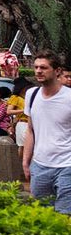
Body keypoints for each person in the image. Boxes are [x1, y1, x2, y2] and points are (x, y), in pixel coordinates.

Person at [23, 50, 71, 214]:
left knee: (65, 215)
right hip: (40, 166)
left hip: (67, 166)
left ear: (57, 71)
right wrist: (26, 161)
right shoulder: (31, 95)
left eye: (43, 67)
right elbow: (30, 130)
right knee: (42, 215)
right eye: (36, 67)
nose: (38, 71)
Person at [8, 75, 33, 147]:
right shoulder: (15, 97)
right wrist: (23, 110)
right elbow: (9, 111)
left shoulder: (27, 97)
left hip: (29, 123)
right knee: (23, 146)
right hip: (22, 123)